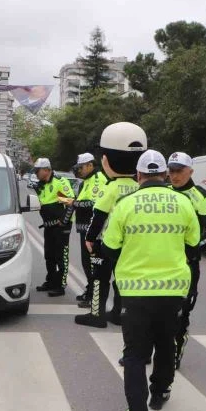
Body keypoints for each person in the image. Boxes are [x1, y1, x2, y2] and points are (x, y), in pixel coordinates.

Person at [102, 150, 199, 411]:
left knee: (134, 354)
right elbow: (193, 245)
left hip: (135, 292)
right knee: (166, 343)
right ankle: (160, 393)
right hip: (173, 290)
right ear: (165, 174)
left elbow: (109, 247)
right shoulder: (184, 203)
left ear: (139, 175)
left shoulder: (125, 204)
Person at [75, 122, 146, 328]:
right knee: (122, 278)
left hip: (107, 242)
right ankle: (118, 313)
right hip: (131, 243)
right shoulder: (138, 187)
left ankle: (96, 315)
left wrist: (89, 238)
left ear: (105, 160)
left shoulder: (111, 188)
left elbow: (98, 216)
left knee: (100, 278)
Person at [166, 151, 206, 369]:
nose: (174, 175)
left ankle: (174, 355)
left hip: (186, 267)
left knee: (181, 314)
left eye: (179, 171)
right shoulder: (163, 191)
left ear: (190, 171)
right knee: (154, 310)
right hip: (160, 264)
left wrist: (192, 251)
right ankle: (149, 351)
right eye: (171, 171)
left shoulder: (200, 195)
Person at [60, 152, 107, 307]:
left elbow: (93, 203)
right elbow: (78, 202)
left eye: (81, 167)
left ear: (90, 165)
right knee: (87, 264)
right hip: (84, 229)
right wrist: (65, 219)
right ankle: (90, 290)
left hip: (94, 231)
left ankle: (93, 297)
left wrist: (74, 203)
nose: (79, 170)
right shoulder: (85, 182)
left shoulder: (98, 179)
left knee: (93, 265)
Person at [28, 157, 75, 297]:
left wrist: (63, 221)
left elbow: (70, 203)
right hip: (49, 226)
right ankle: (51, 281)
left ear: (46, 170)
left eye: (37, 171)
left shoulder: (59, 182)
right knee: (49, 255)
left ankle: (60, 286)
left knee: (61, 256)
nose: (36, 174)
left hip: (61, 226)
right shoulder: (42, 185)